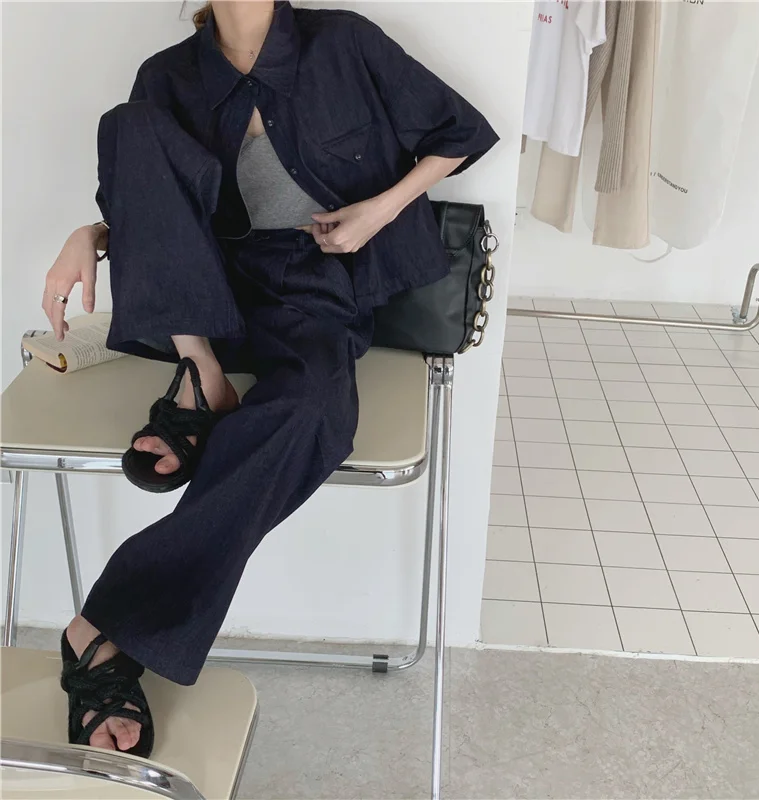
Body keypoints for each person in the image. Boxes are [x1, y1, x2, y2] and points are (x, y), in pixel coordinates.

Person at [42, 0, 498, 757]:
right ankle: (201, 370)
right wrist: (86, 235)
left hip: (314, 282)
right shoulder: (166, 77)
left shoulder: (343, 43)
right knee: (129, 124)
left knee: (316, 413)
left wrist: (378, 213)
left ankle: (105, 623)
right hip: (204, 292)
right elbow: (149, 204)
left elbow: (461, 133)